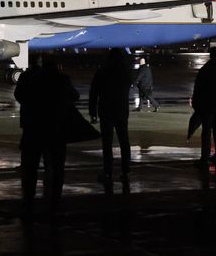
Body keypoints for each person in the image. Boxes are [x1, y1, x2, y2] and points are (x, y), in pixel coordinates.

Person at [15, 57, 79, 214]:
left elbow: (19, 95)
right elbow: (74, 96)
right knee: (57, 167)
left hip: (33, 128)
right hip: (55, 128)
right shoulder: (62, 79)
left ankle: (28, 200)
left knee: (30, 167)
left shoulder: (29, 77)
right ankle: (55, 199)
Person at [89, 48, 133, 183]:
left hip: (106, 110)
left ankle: (108, 172)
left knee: (107, 143)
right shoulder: (125, 73)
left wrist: (93, 113)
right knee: (124, 141)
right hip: (121, 110)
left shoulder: (102, 72)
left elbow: (93, 93)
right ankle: (126, 171)